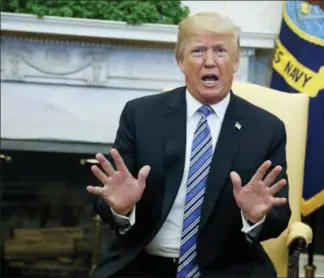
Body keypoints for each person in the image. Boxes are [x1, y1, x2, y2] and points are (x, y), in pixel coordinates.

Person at [86, 11, 290, 278]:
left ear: (236, 61)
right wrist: (121, 208)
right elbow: (109, 199)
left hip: (229, 269)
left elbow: (279, 216)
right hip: (145, 265)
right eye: (197, 51)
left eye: (220, 51)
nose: (209, 62)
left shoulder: (266, 129)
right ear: (180, 61)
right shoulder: (140, 116)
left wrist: (254, 217)